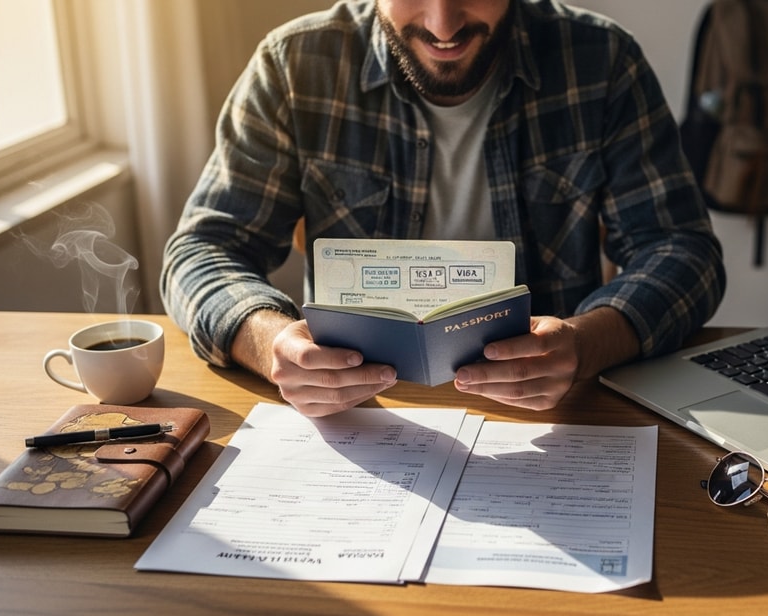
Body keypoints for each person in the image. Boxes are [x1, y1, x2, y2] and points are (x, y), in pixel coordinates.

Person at [161, 0, 725, 417]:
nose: (442, 24)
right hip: (358, 419)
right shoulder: (293, 67)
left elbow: (683, 250)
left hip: (550, 415)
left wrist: (584, 344)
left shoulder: (602, 62)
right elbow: (202, 250)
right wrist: (270, 343)